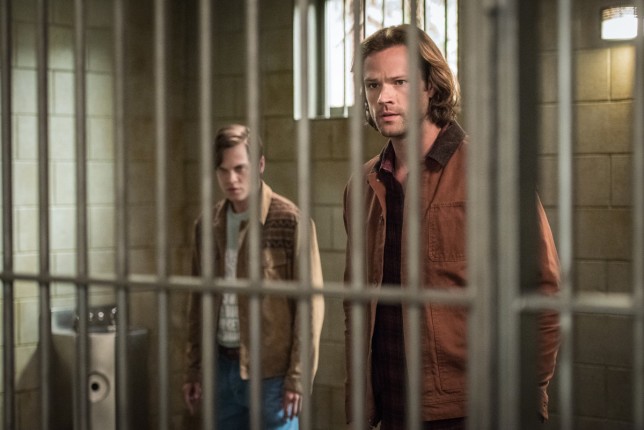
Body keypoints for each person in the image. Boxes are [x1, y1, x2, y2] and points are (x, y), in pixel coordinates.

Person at [342, 25, 560, 430]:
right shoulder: (363, 185)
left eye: (400, 82)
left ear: (431, 87)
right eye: (373, 85)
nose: (384, 97)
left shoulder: (490, 173)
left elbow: (542, 291)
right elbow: (355, 302)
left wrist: (530, 399)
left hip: (472, 406)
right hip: (389, 406)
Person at [183, 124, 325, 429]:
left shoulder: (291, 221)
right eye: (223, 171)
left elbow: (310, 307)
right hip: (220, 368)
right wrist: (194, 368)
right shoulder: (206, 226)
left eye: (240, 169)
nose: (231, 179)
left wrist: (298, 377)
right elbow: (197, 302)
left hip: (272, 375)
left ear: (260, 165)